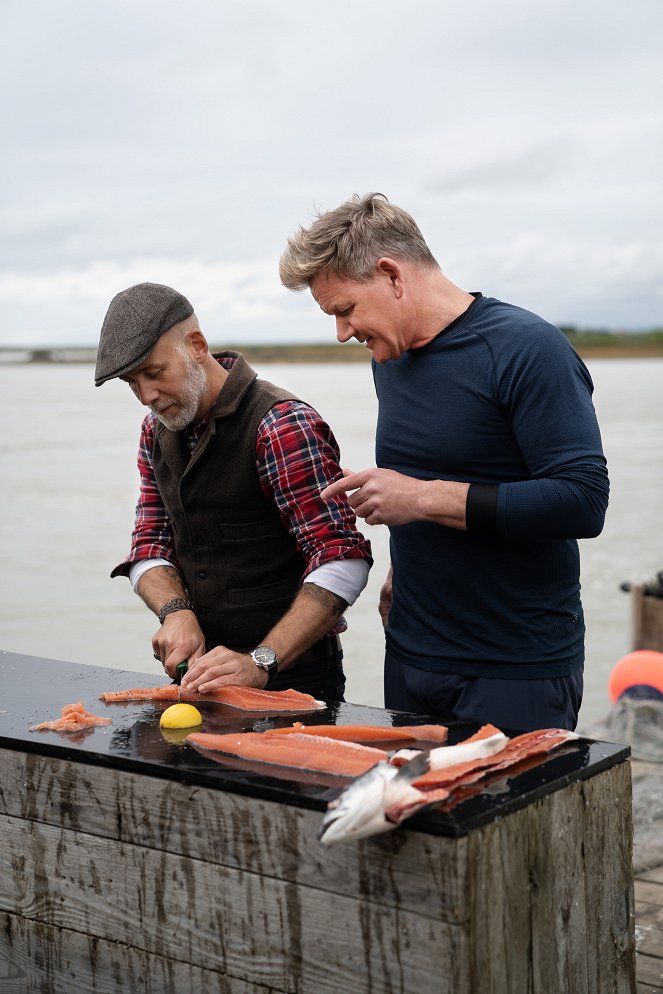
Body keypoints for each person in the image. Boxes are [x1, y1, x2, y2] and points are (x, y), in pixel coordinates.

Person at [279, 193, 610, 731]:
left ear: (391, 274)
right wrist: (400, 571)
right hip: (411, 654)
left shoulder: (528, 348)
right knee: (412, 816)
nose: (342, 332)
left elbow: (582, 501)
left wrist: (419, 497)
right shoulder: (390, 358)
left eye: (345, 310)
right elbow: (435, 469)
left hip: (514, 668)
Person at [95, 282, 372, 701]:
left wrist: (261, 660)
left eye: (154, 373)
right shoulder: (155, 430)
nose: (145, 396)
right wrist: (176, 612)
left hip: (293, 679)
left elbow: (342, 558)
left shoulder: (280, 424)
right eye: (132, 383)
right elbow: (149, 544)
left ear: (197, 345)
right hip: (198, 677)